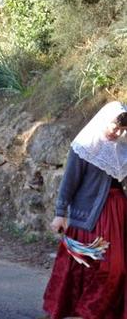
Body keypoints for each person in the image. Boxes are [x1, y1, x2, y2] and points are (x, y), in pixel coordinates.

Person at [43, 101, 127, 319]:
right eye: (114, 127)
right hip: (90, 216)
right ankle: (86, 312)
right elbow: (69, 182)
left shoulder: (121, 149)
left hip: (118, 215)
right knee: (92, 266)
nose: (117, 133)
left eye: (122, 130)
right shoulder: (84, 146)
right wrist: (60, 213)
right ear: (103, 121)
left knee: (117, 268)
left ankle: (98, 312)